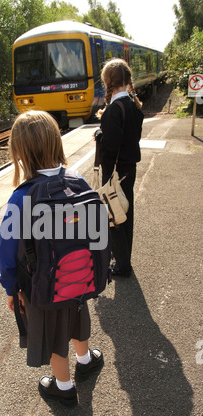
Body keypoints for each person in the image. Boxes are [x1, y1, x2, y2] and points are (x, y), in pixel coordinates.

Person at [0, 110, 103, 407]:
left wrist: (11, 287)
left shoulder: (21, 198)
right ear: (56, 142)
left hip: (41, 287)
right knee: (77, 318)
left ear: (20, 152)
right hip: (79, 277)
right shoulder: (77, 181)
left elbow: (7, 251)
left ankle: (64, 386)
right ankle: (86, 360)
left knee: (55, 335)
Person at [95, 58, 144, 277]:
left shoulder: (114, 110)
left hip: (115, 172)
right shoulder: (134, 106)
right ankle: (124, 257)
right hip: (129, 168)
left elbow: (110, 147)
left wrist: (99, 137)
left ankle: (123, 265)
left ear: (108, 82)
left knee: (115, 214)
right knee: (126, 212)